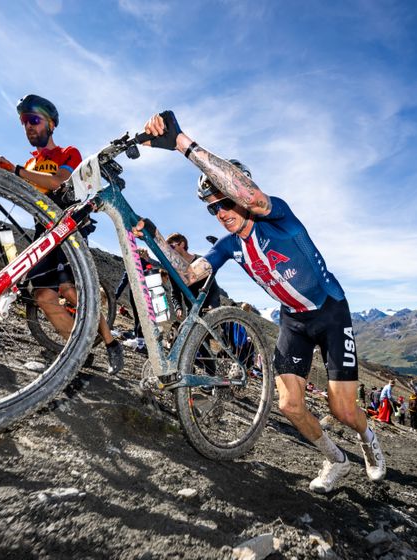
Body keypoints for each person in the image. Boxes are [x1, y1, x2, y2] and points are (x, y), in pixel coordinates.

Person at [137, 110, 386, 493]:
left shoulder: (277, 216)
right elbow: (189, 274)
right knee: (289, 406)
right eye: (212, 208)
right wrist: (151, 233)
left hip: (331, 311)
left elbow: (248, 195)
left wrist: (182, 143)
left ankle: (367, 438)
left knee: (343, 409)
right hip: (294, 321)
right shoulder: (230, 245)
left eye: (224, 202)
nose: (220, 213)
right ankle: (336, 460)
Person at [0, 94, 123, 375]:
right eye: (24, 122)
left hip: (69, 228)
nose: (29, 127)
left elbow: (59, 181)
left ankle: (111, 343)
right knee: (43, 297)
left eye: (34, 121)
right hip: (42, 232)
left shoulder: (68, 153)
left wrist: (14, 169)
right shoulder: (31, 162)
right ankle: (77, 351)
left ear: (50, 124)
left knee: (69, 289)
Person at [164, 232, 222, 318]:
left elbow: (213, 288)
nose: (171, 251)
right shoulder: (174, 270)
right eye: (168, 249)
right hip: (192, 311)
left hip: (210, 310)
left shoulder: (201, 260)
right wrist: (178, 308)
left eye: (172, 247)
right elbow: (175, 293)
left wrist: (212, 305)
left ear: (182, 244)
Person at [114, 247, 160, 353]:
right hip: (144, 294)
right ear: (143, 254)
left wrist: (116, 296)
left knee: (136, 316)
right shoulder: (146, 264)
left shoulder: (131, 265)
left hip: (133, 293)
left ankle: (137, 339)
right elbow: (151, 276)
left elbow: (124, 281)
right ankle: (140, 344)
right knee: (142, 318)